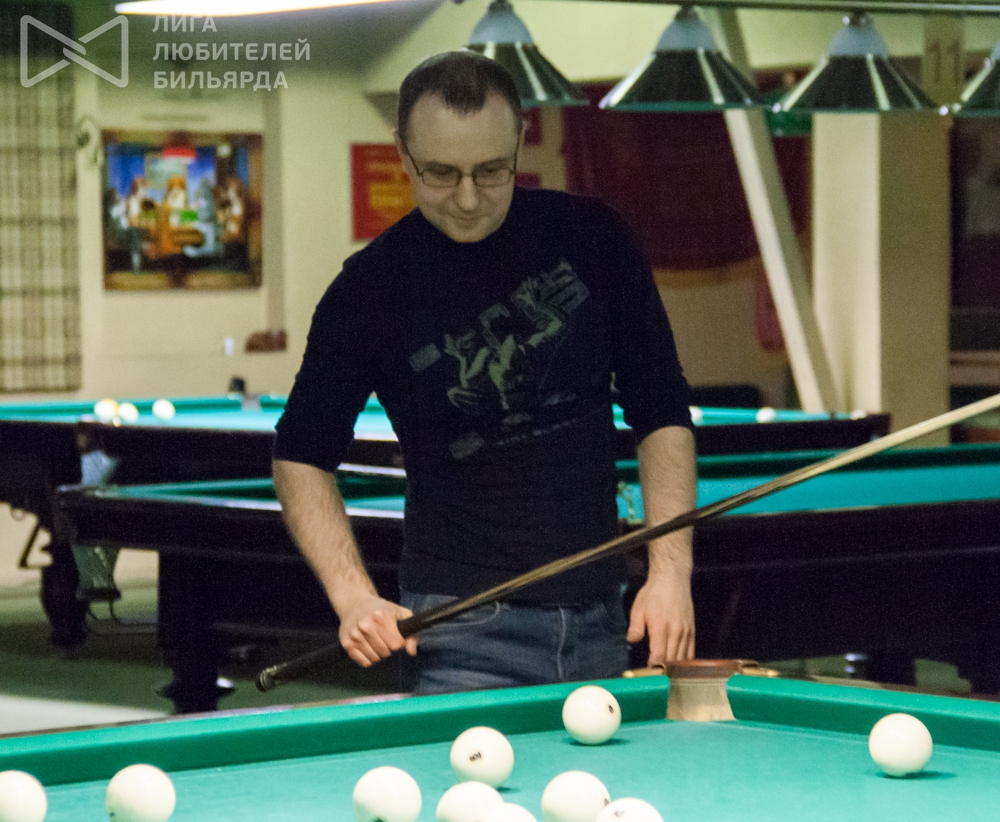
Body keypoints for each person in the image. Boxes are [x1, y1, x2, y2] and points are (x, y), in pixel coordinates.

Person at [273, 50, 697, 694]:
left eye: (492, 171)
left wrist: (670, 573)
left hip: (601, 617)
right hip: (461, 629)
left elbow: (660, 410)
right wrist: (352, 595)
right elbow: (302, 454)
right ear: (403, 153)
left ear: (520, 141)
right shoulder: (370, 288)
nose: (468, 198)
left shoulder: (595, 239)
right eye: (441, 174)